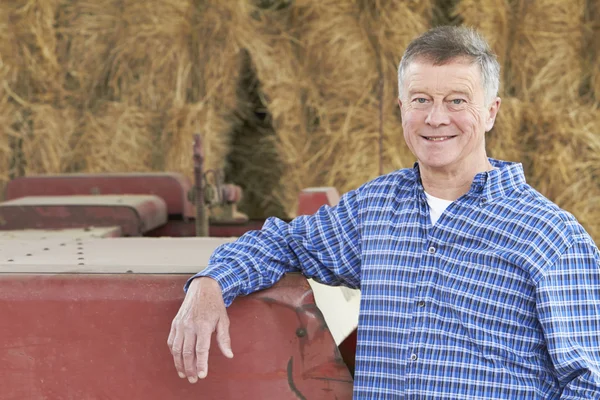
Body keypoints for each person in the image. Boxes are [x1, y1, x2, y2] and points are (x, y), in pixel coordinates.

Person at [168, 26, 600, 398]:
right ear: (401, 109)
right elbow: (282, 242)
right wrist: (210, 283)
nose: (435, 118)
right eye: (420, 100)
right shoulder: (375, 209)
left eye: (456, 101)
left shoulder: (551, 237)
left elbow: (590, 382)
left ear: (490, 112)